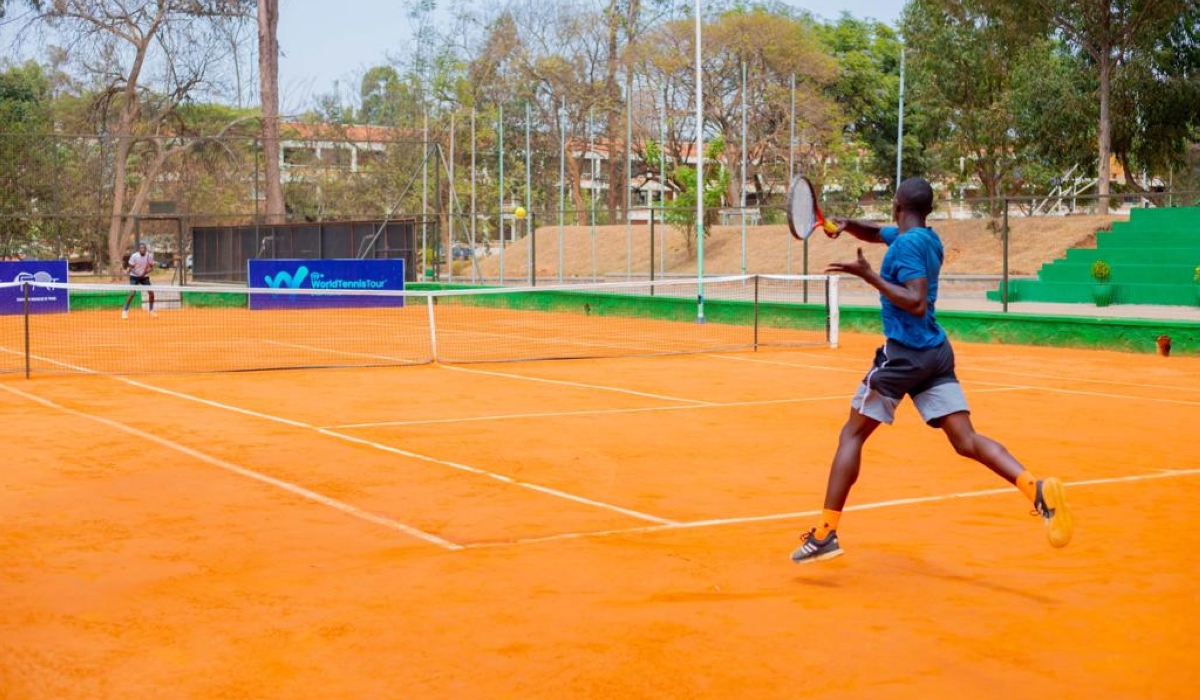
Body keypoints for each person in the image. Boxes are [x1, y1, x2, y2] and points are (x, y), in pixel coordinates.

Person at [791, 177, 1073, 564]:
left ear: (896, 204)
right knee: (965, 440)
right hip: (935, 354)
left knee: (851, 434)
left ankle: (825, 533)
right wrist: (844, 223)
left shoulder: (906, 246)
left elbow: (916, 301)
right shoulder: (926, 238)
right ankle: (1034, 488)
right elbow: (877, 233)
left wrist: (869, 276)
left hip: (905, 356)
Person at [122, 242, 156, 319]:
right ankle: (125, 311)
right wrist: (136, 273)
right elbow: (130, 267)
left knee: (151, 293)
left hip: (144, 277)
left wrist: (145, 273)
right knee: (132, 293)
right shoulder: (134, 256)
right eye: (141, 248)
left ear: (146, 249)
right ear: (139, 249)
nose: (142, 249)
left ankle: (151, 311)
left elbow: (151, 267)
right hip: (134, 276)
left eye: (144, 248)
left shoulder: (149, 256)